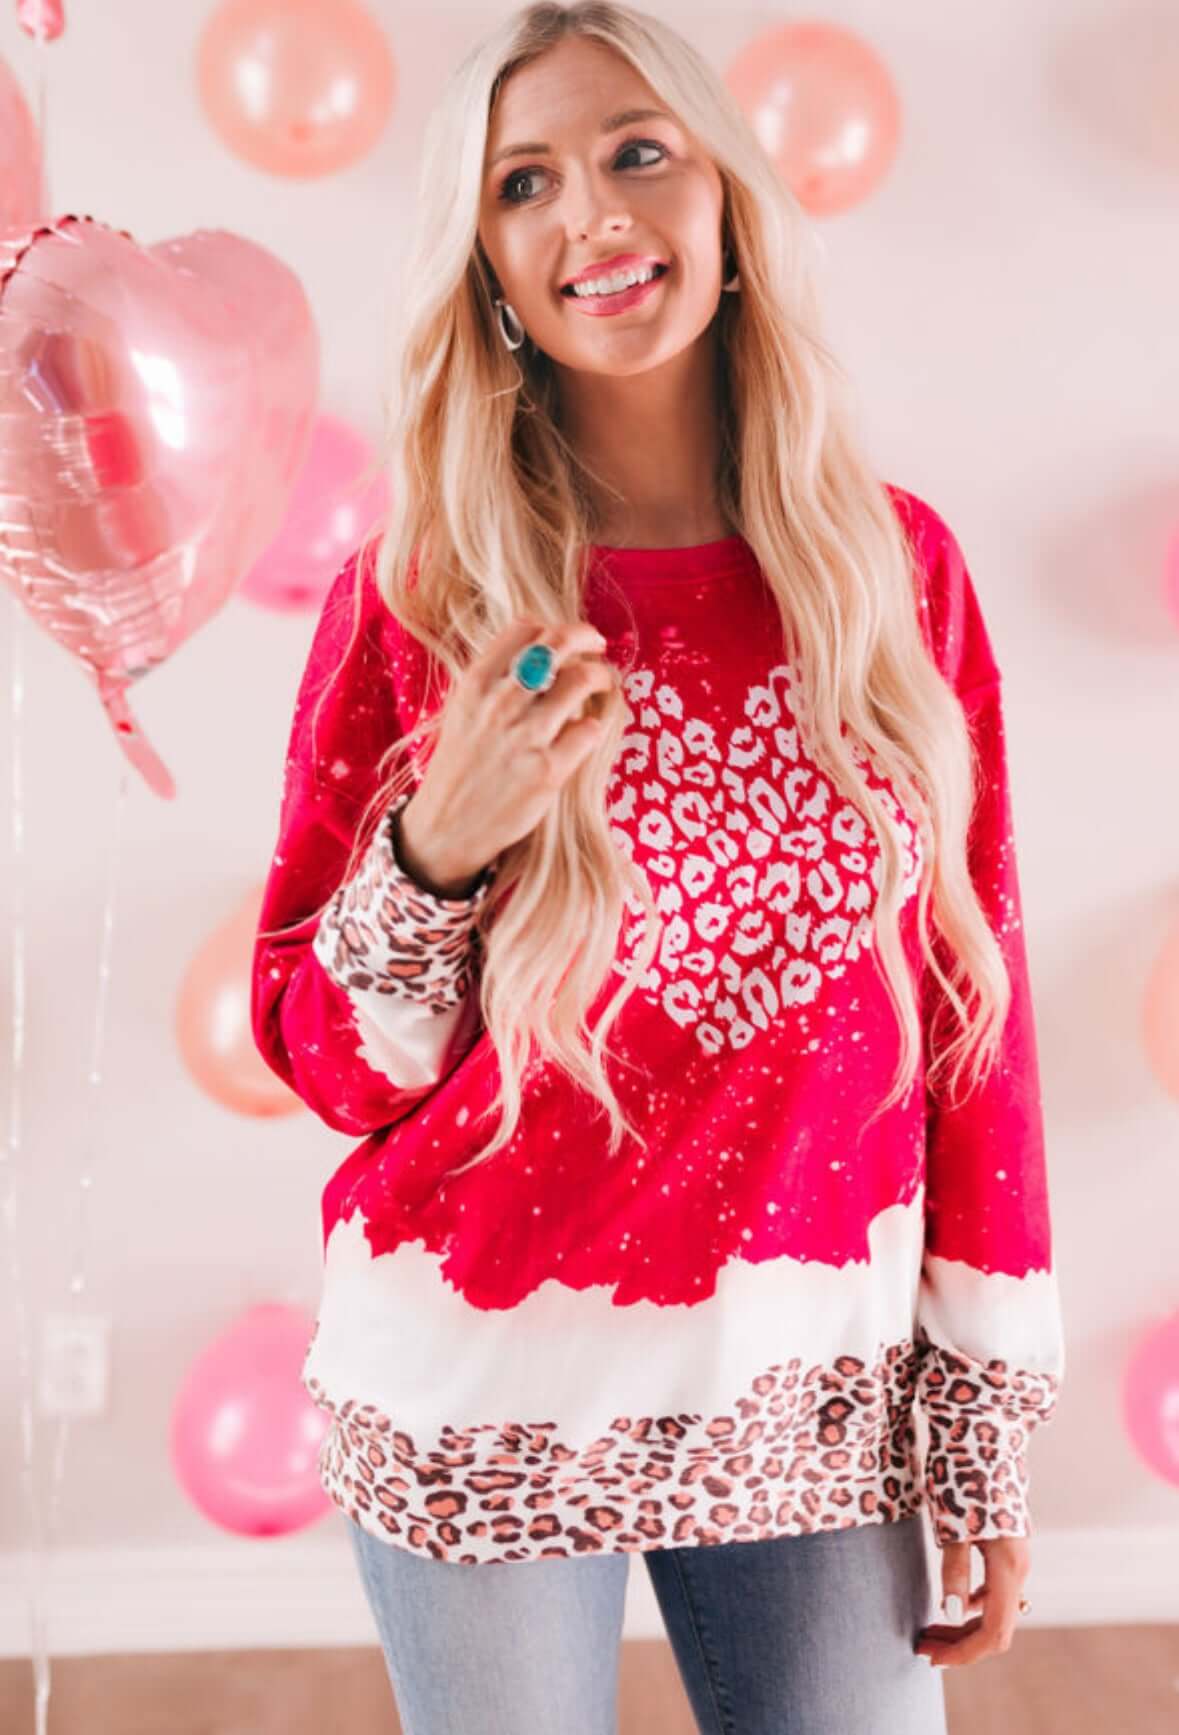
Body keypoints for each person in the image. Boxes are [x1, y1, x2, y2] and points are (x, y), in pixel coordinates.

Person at [250, 3, 1066, 1730]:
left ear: (728, 205)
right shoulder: (417, 601)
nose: (592, 217)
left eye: (638, 154)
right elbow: (327, 1062)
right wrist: (440, 843)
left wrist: (978, 1421)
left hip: (811, 1394)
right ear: (484, 261)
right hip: (483, 1376)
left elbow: (976, 1012)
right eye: (524, 183)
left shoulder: (891, 575)